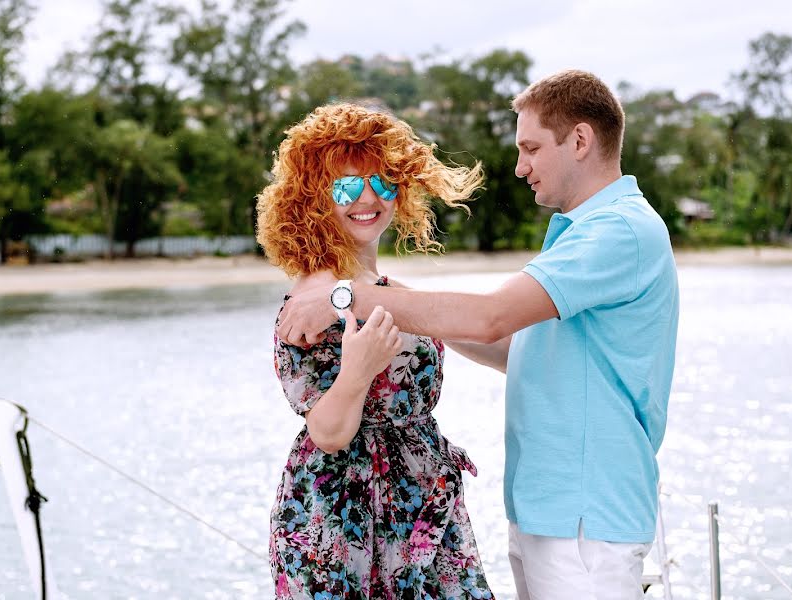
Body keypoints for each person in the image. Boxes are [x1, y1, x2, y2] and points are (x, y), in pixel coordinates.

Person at [277, 70, 680, 600]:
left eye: (531, 147)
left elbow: (491, 317)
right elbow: (518, 349)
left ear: (579, 141)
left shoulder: (617, 231)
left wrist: (345, 298)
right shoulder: (579, 234)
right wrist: (395, 301)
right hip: (548, 510)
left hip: (586, 517)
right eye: (349, 186)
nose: (520, 166)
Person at [258, 103, 495, 599]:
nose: (368, 199)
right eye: (347, 186)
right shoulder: (313, 299)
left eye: (383, 183)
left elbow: (490, 335)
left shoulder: (381, 287)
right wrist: (358, 370)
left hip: (421, 502)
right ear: (313, 199)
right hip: (344, 520)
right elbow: (327, 432)